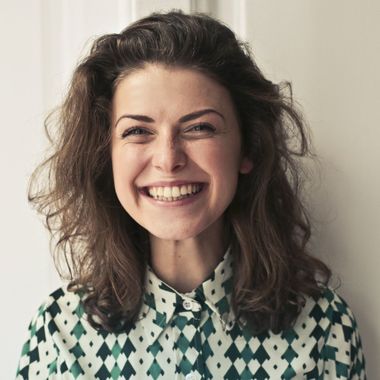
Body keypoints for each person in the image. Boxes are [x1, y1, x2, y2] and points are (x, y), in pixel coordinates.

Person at [16, 10, 366, 379]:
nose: (168, 159)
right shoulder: (59, 334)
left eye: (199, 127)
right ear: (108, 156)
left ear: (248, 148)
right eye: (137, 131)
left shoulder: (323, 330)